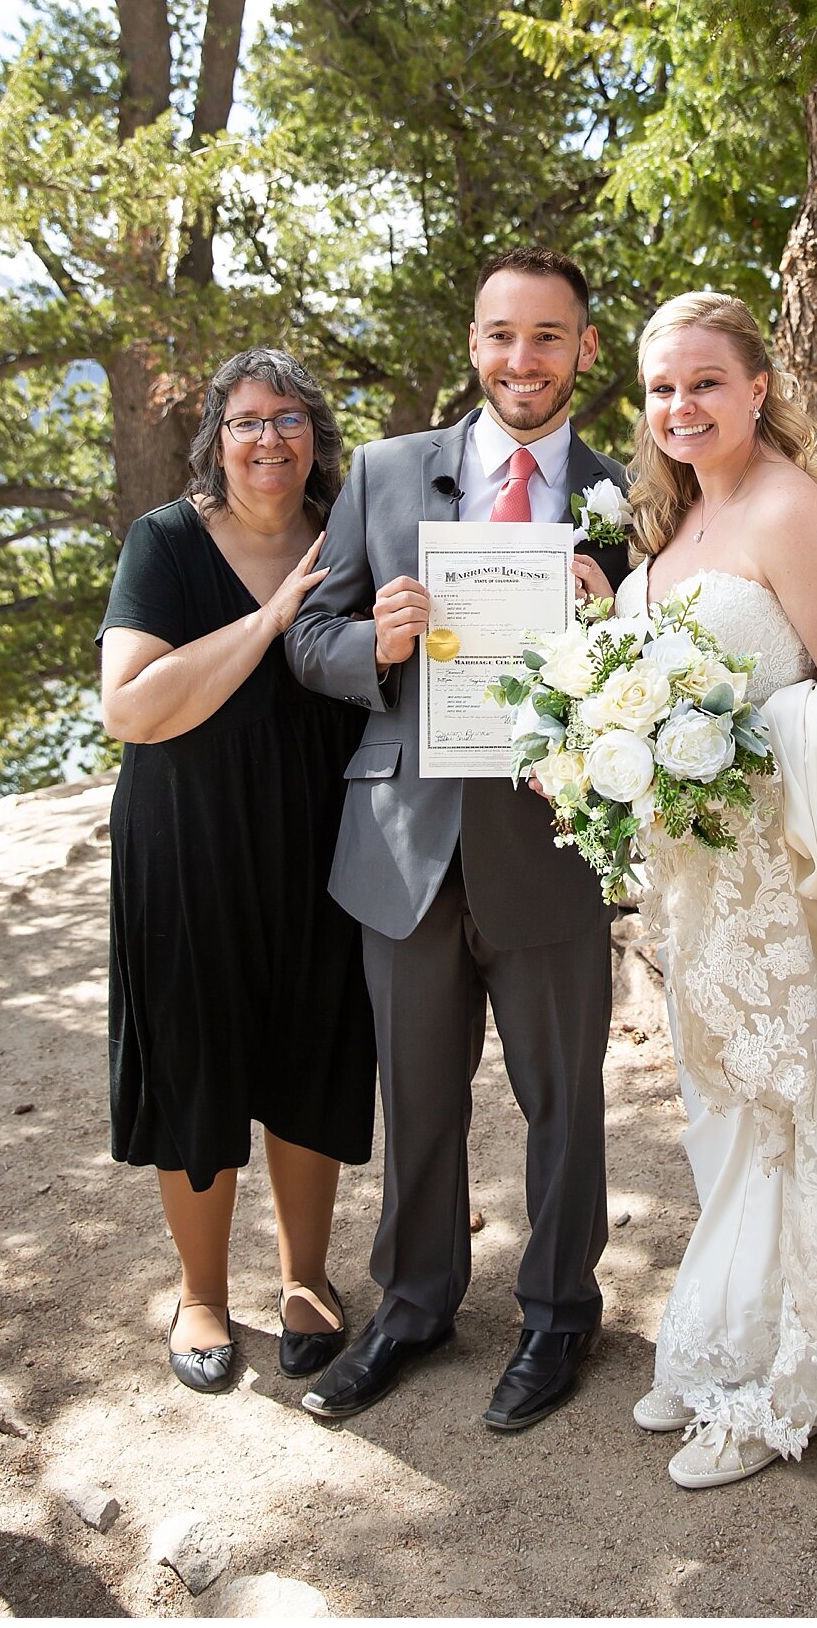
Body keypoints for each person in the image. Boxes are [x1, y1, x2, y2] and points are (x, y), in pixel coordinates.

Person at [579, 291, 817, 1491]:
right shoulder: (677, 521)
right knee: (731, 1113)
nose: (679, 404)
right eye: (660, 387)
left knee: (807, 1117)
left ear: (759, 387)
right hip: (701, 887)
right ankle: (732, 1337)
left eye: (704, 381)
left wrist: (727, 748)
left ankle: (793, 1386)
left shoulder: (793, 510)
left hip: (788, 882)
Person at [284, 248, 630, 1433]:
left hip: (550, 837)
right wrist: (373, 643)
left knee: (563, 1097)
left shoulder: (631, 494)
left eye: (547, 336)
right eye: (500, 335)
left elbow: (670, 674)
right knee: (416, 1093)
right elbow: (307, 639)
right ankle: (415, 1303)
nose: (520, 360)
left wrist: (615, 628)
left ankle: (557, 1308)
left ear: (585, 347)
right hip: (404, 838)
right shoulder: (383, 473)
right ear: (472, 342)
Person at [98, 349, 376, 1394]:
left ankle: (307, 1275)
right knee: (197, 1054)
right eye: (248, 419)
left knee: (315, 1046)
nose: (270, 438)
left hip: (323, 830)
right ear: (217, 436)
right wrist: (268, 622)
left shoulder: (348, 533)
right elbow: (130, 707)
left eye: (291, 418)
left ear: (317, 435)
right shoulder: (165, 542)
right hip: (187, 838)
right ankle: (202, 1290)